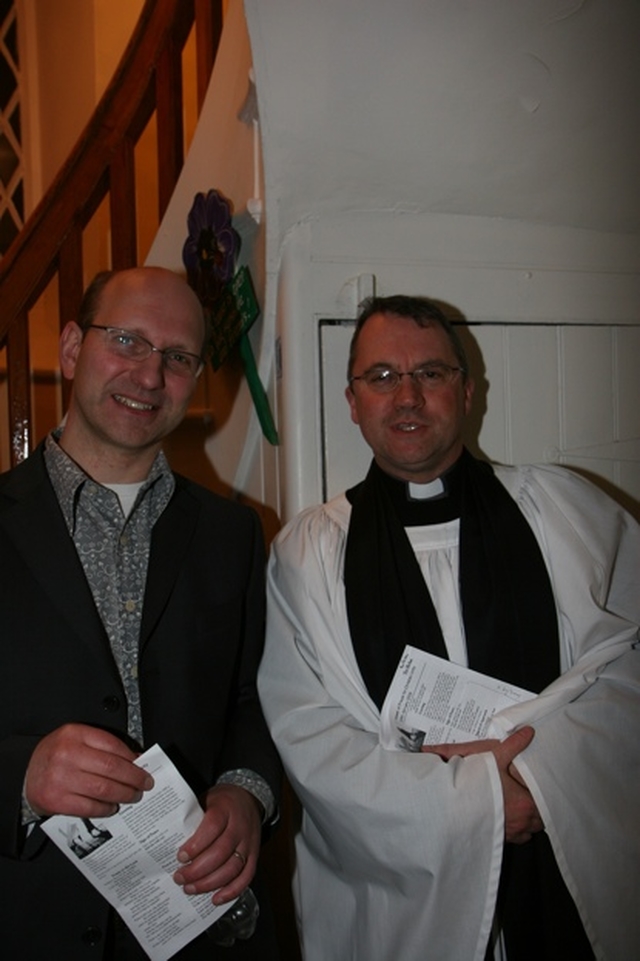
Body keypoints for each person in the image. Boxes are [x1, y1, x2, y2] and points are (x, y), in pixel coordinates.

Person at [258, 294, 640, 961]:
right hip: (406, 902)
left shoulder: (561, 509)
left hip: (561, 864)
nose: (407, 395)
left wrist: (546, 787)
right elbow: (315, 740)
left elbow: (627, 667)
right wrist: (482, 808)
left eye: (430, 373)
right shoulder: (309, 553)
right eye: (381, 376)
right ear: (352, 401)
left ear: (466, 391)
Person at [0, 266, 282, 960]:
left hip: (194, 927)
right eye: (127, 340)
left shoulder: (234, 534)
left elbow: (252, 702)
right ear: (72, 349)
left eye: (178, 357)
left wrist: (247, 794)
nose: (150, 375)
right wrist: (21, 775)